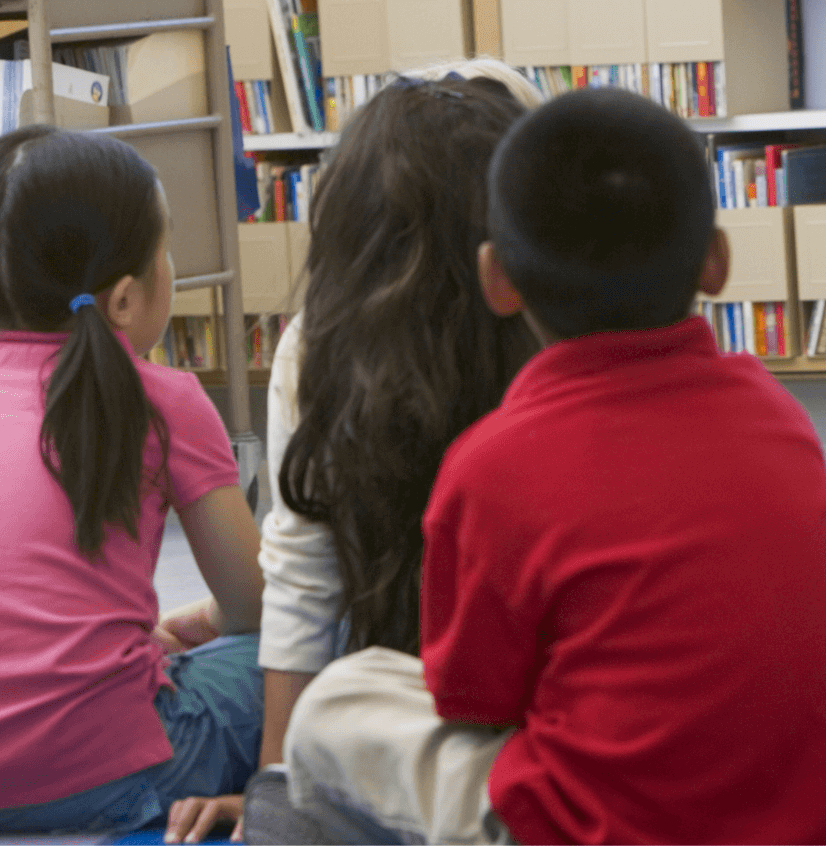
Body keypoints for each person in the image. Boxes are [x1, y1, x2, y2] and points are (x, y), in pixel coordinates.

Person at [280, 87, 826, 845]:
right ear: (716, 262)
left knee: (341, 700)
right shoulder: (779, 417)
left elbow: (475, 703)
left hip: (607, 828)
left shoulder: (488, 467)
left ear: (498, 280)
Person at [165, 69, 541, 844]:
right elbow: (303, 575)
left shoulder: (321, 341)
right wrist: (279, 788)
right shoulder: (323, 347)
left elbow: (304, 583)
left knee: (308, 683)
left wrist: (281, 787)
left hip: (511, 711)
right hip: (504, 709)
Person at [0, 127, 265, 835]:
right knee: (311, 643)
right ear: (123, 300)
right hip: (113, 770)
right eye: (166, 250)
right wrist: (196, 626)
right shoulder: (166, 399)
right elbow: (254, 609)